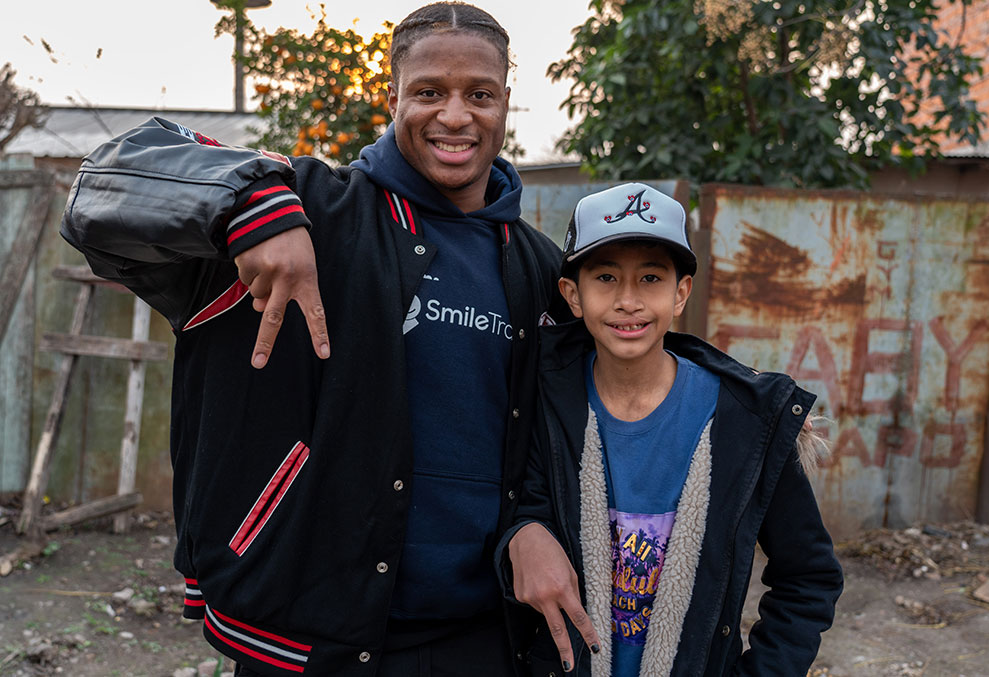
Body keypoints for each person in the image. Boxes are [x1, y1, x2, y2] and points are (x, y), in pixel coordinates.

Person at [60, 3, 567, 675]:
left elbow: (552, 432)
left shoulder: (538, 267)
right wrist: (249, 207)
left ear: (507, 103)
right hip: (306, 635)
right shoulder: (308, 210)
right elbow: (100, 190)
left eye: (479, 94)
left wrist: (532, 520)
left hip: (481, 635)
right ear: (391, 98)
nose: (454, 115)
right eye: (428, 92)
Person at [498, 182, 843, 676]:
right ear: (573, 296)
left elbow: (808, 577)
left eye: (651, 278)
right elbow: (521, 500)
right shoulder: (548, 400)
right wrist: (522, 531)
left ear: (681, 293)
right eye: (606, 278)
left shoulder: (744, 423)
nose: (628, 301)